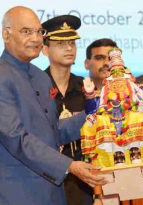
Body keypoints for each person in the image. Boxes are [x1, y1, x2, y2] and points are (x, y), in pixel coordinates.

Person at [0, 6, 105, 205]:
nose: (36, 39)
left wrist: (96, 114)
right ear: (6, 34)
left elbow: (52, 131)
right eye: (27, 32)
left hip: (50, 193)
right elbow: (16, 138)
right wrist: (69, 165)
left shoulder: (40, 78)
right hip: (12, 194)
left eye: (39, 32)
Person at [41, 15, 93, 205]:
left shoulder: (86, 88)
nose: (69, 48)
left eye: (72, 42)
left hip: (84, 183)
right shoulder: (35, 89)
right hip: (47, 181)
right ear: (45, 49)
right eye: (61, 43)